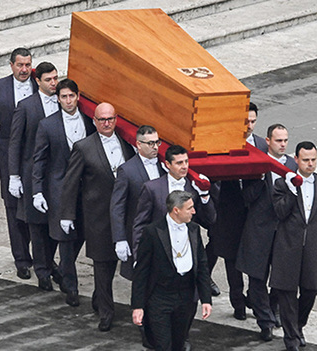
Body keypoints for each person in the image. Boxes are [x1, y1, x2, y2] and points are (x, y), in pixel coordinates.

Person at [60, 102, 134, 331]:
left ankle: (98, 298)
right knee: (102, 265)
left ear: (116, 119)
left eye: (110, 119)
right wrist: (67, 214)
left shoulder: (126, 144)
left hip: (122, 215)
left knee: (114, 263)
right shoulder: (84, 147)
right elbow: (71, 183)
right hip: (97, 217)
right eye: (102, 119)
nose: (106, 123)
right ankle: (106, 312)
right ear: (94, 120)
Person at [32, 79, 96, 306]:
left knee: (81, 235)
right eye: (63, 97)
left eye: (71, 96)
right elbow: (38, 160)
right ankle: (71, 287)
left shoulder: (89, 122)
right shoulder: (47, 125)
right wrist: (37, 191)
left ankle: (56, 268)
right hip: (59, 189)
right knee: (65, 239)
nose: (68, 101)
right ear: (57, 99)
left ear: (78, 96)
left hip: (86, 188)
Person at [0, 48, 37, 280]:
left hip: (34, 155)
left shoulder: (38, 84)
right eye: (20, 65)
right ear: (11, 65)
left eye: (28, 65)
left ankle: (39, 254)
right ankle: (21, 258)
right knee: (13, 207)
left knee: (35, 204)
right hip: (7, 155)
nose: (24, 70)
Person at [235, 123, 297, 341]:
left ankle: (273, 310)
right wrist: (261, 177)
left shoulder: (291, 163)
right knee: (257, 279)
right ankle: (265, 322)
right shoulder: (257, 163)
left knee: (281, 278)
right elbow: (246, 198)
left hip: (283, 233)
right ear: (268, 141)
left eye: (285, 140)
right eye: (278, 140)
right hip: (259, 231)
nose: (283, 144)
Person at [270, 141, 317, 351]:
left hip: (312, 246)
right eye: (305, 160)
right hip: (287, 245)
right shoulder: (282, 183)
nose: (310, 164)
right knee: (286, 292)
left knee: (311, 289)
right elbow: (280, 213)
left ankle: (298, 326)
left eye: (313, 160)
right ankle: (291, 339)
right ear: (296, 160)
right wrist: (291, 191)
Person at [207, 101, 268, 319]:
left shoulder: (262, 145)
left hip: (253, 215)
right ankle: (237, 303)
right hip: (229, 212)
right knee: (232, 261)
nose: (249, 126)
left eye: (253, 121)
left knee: (253, 260)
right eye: (245, 121)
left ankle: (254, 298)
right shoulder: (224, 144)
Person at [132, 190, 213, 351]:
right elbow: (141, 272)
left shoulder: (194, 230)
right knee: (163, 345)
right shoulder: (152, 232)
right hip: (160, 297)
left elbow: (202, 266)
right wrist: (138, 306)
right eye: (189, 208)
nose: (194, 211)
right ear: (176, 210)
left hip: (185, 296)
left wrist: (206, 299)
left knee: (179, 343)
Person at [110, 124, 164, 348]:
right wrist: (120, 238)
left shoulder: (164, 165)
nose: (155, 147)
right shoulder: (128, 170)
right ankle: (147, 334)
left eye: (157, 142)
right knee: (143, 288)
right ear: (138, 144)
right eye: (150, 143)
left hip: (163, 237)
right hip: (141, 238)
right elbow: (118, 206)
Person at [8, 62, 61, 291]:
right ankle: (42, 270)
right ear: (37, 80)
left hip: (57, 172)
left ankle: (50, 262)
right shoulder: (26, 106)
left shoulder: (63, 102)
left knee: (56, 222)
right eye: (49, 79)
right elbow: (15, 144)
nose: (53, 83)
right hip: (33, 174)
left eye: (55, 78)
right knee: (37, 225)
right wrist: (14, 175)